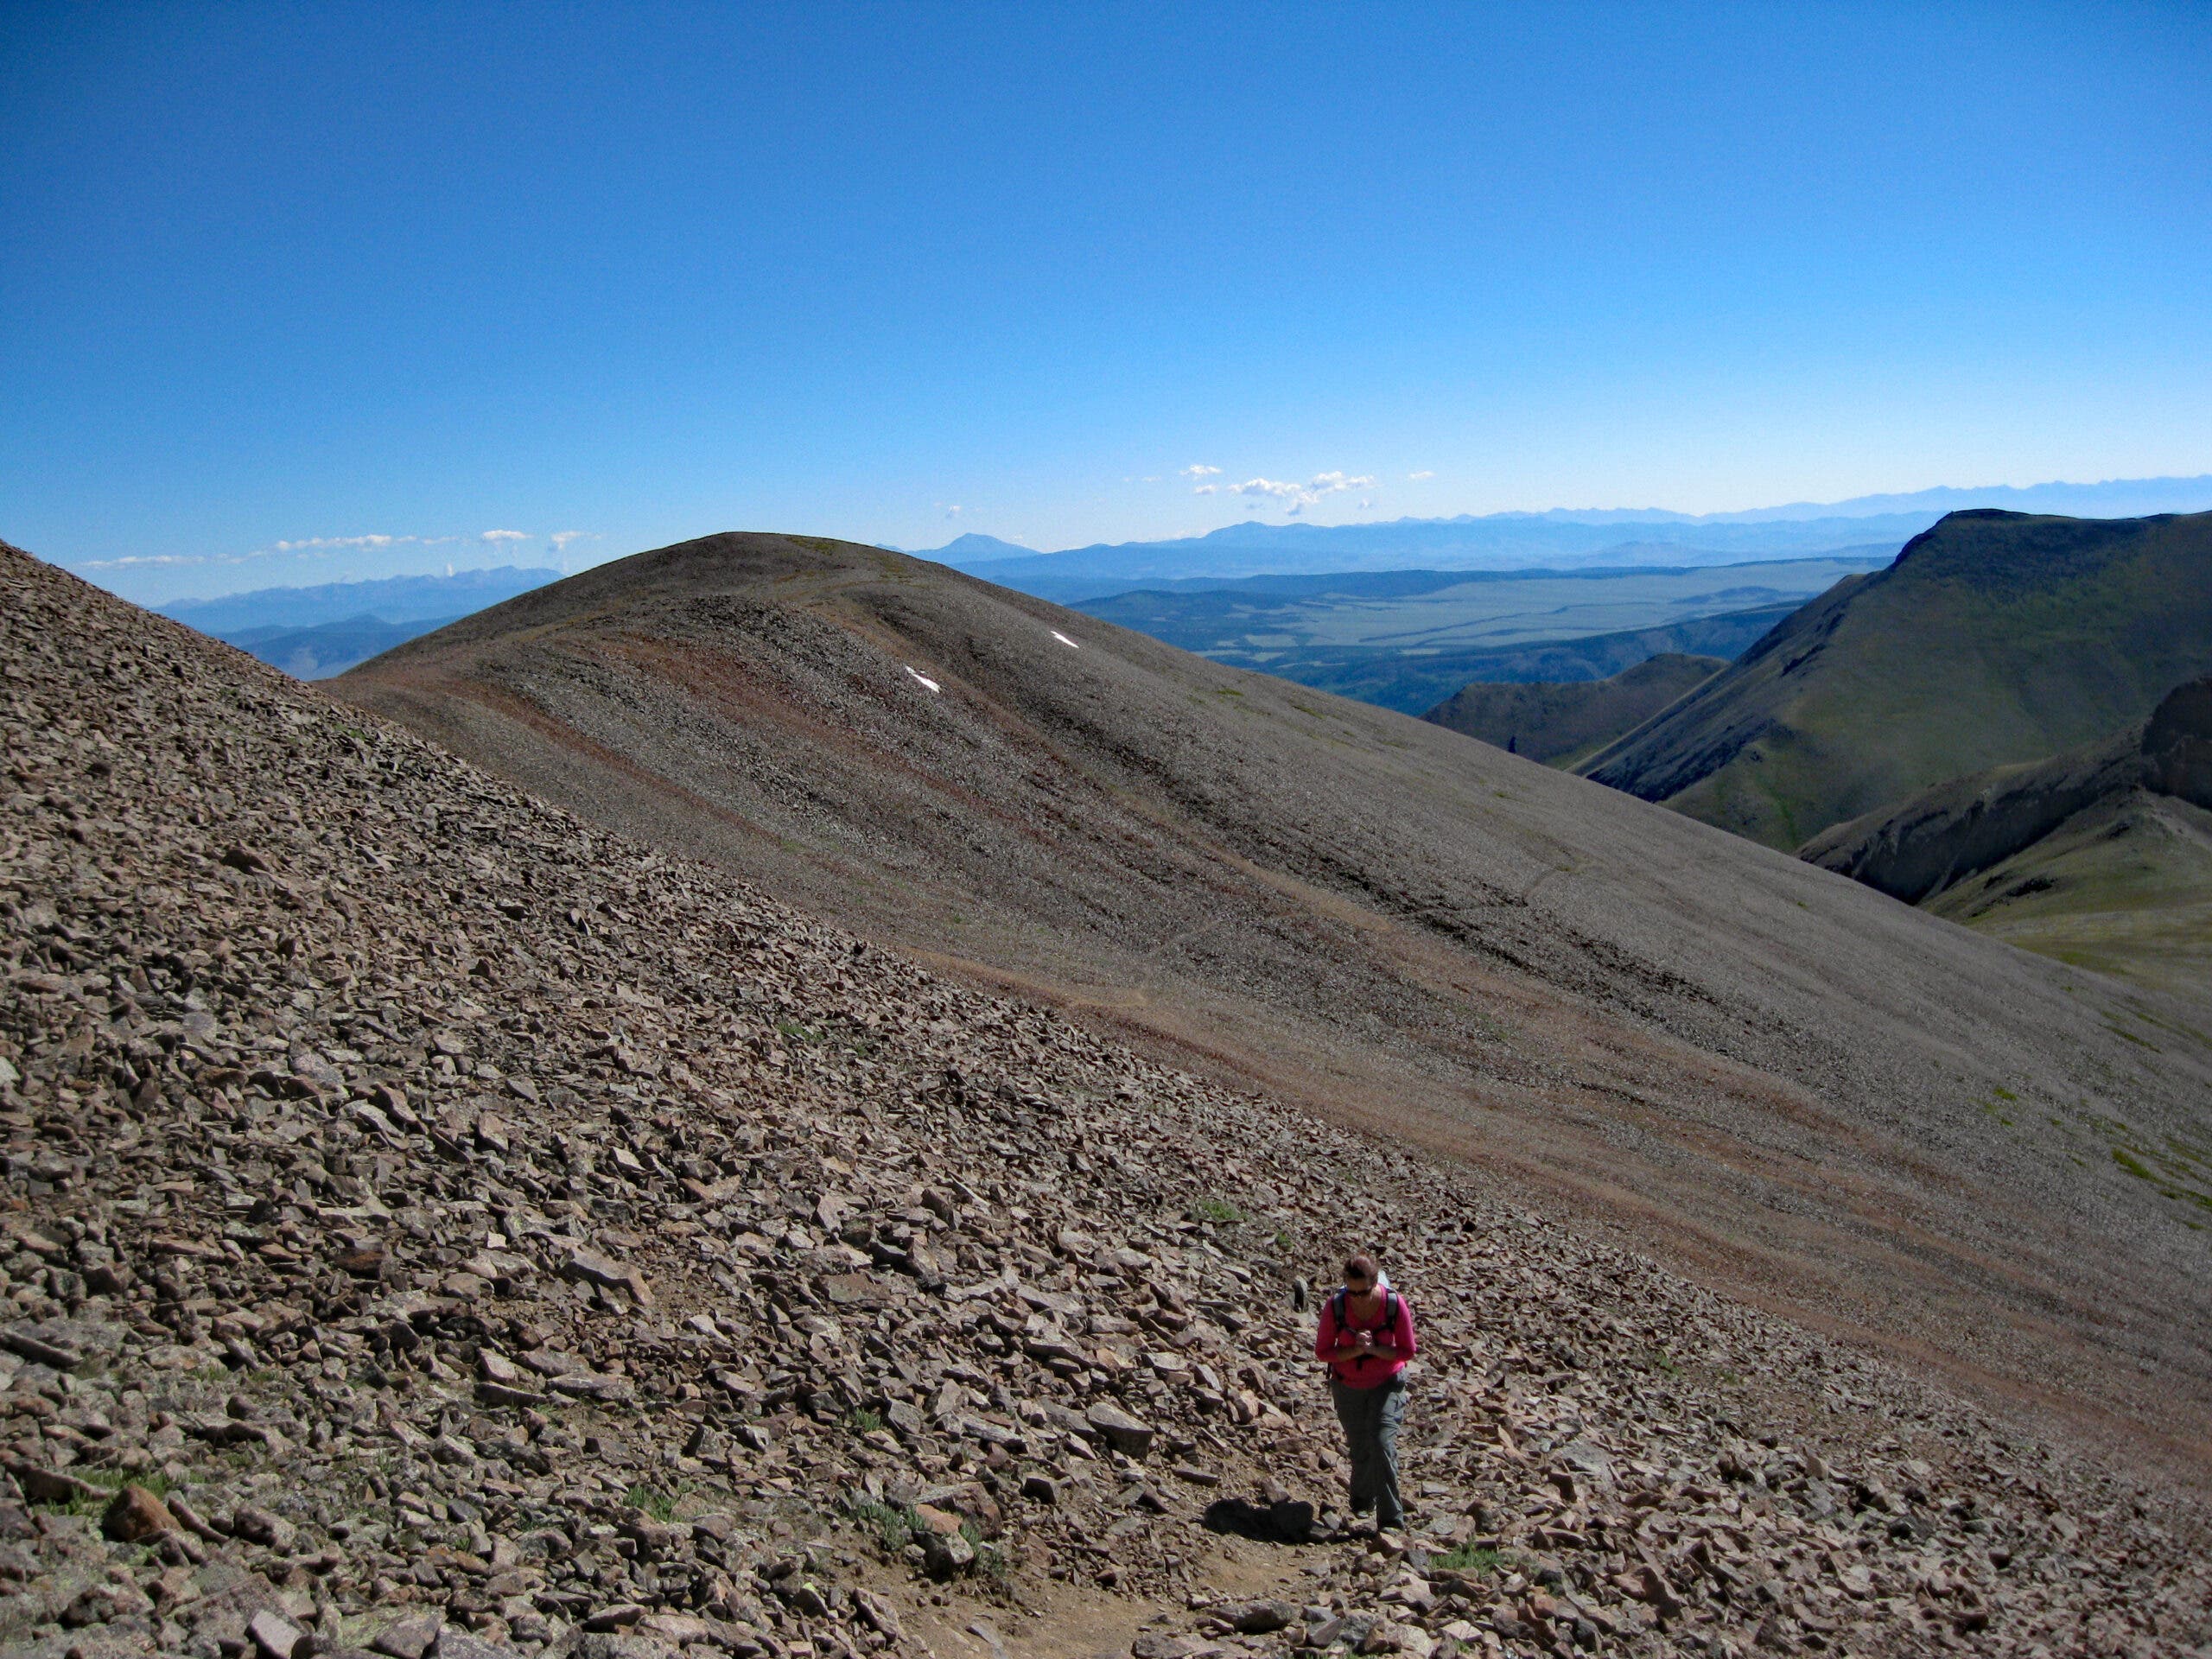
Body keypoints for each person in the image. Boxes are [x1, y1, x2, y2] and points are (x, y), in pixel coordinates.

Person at [1313, 1253, 1417, 1535]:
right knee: (1360, 1447)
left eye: (1364, 1292)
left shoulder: (1394, 1304)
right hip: (1347, 1385)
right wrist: (1356, 1350)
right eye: (1352, 1292)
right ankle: (1361, 1501)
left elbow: (1407, 1350)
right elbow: (1323, 1351)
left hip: (1387, 1382)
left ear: (1375, 1283)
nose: (1357, 1298)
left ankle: (1391, 1521)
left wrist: (1373, 1350)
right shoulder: (1336, 1306)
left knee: (1382, 1442)